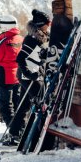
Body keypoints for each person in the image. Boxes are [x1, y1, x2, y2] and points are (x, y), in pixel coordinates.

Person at [8, 9, 52, 142]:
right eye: (47, 23)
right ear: (40, 24)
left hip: (34, 74)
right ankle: (38, 133)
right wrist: (29, 73)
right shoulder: (31, 39)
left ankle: (14, 132)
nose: (49, 25)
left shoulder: (43, 36)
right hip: (28, 76)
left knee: (24, 105)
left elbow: (40, 54)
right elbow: (20, 58)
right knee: (40, 102)